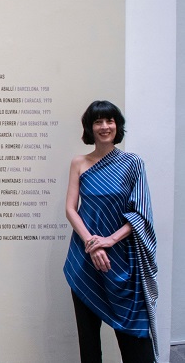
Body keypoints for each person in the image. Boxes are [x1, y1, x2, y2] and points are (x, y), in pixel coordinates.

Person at [63, 100, 158, 363]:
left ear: (117, 125)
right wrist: (92, 244)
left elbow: (141, 213)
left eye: (110, 120)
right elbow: (70, 209)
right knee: (89, 344)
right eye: (98, 121)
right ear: (89, 127)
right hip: (84, 260)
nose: (105, 126)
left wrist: (109, 241)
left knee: (136, 344)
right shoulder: (79, 163)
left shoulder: (132, 163)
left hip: (123, 261)